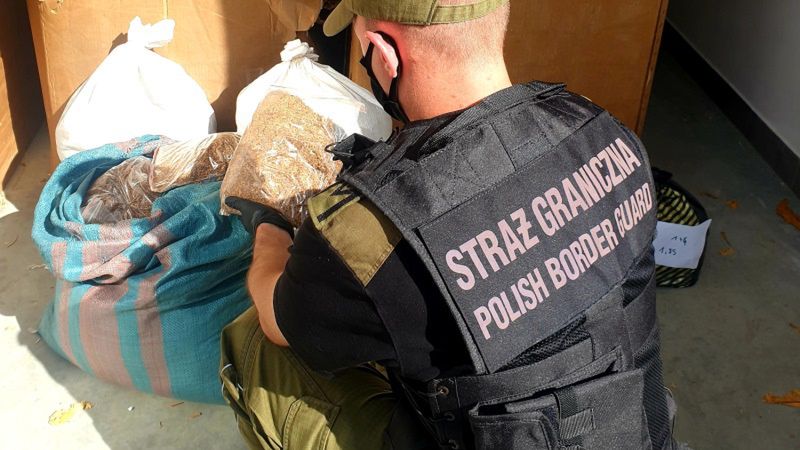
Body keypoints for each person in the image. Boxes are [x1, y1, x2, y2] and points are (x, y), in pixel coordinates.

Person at [220, 0, 680, 449]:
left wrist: (268, 225)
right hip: (639, 431)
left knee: (250, 342)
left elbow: (277, 319)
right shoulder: (604, 131)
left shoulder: (369, 232)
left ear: (385, 54)